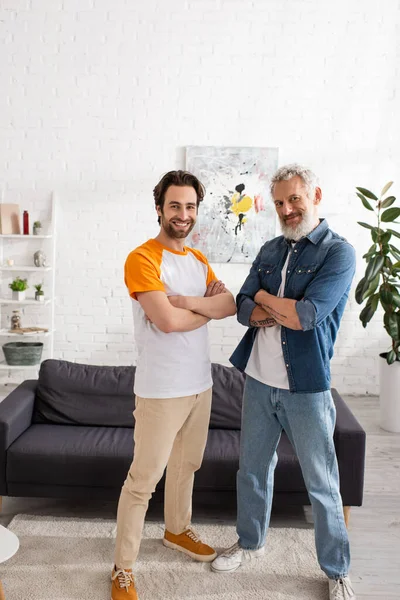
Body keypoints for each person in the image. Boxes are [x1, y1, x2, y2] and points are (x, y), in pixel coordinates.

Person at [211, 164, 356, 600]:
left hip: (307, 387)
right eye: (279, 203)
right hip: (257, 380)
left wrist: (264, 299)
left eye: (294, 199)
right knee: (252, 470)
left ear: (315, 195)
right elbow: (240, 308)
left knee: (322, 481)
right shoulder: (271, 249)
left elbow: (306, 316)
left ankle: (336, 571)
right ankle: (250, 542)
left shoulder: (338, 253)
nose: (287, 209)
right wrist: (271, 304)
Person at [111, 170, 236, 600]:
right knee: (142, 481)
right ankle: (122, 567)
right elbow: (165, 321)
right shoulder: (142, 258)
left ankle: (177, 531)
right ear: (160, 209)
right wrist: (204, 310)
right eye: (175, 206)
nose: (183, 214)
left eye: (190, 207)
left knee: (187, 467)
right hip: (160, 390)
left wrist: (188, 303)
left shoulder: (198, 260)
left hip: (201, 385)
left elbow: (231, 303)